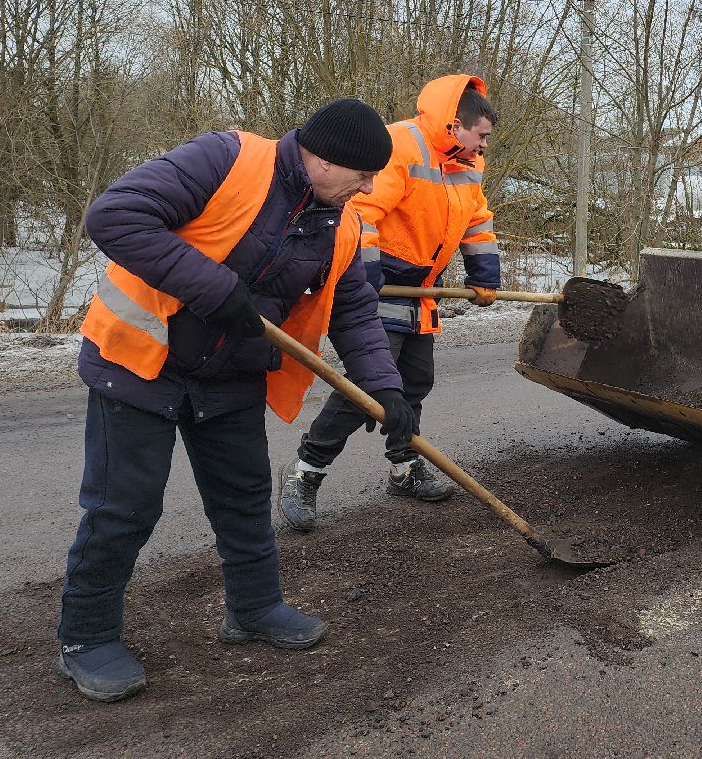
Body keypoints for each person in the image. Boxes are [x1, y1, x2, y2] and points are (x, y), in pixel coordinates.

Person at [57, 99, 412, 703]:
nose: (370, 188)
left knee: (244, 496)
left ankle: (255, 607)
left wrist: (385, 388)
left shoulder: (343, 224)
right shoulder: (226, 159)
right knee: (125, 507)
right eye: (362, 175)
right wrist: (214, 287)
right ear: (323, 160)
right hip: (140, 360)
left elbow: (353, 310)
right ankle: (85, 638)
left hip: (231, 374)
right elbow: (114, 216)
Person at [279, 75, 500, 531]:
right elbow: (360, 214)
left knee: (415, 380)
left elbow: (476, 218)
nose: (484, 145)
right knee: (371, 388)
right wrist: (366, 276)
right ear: (456, 125)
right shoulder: (403, 144)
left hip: (423, 286)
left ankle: (404, 466)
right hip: (380, 282)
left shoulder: (469, 162)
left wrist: (484, 273)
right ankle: (305, 470)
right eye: (480, 135)